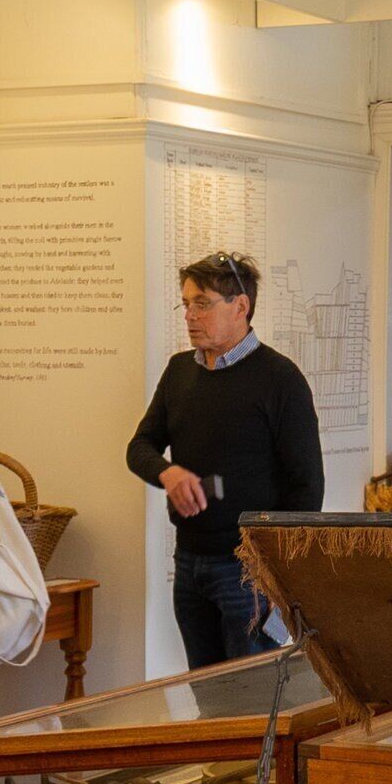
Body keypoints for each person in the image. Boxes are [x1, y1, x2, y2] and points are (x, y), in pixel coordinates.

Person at [125, 250, 323, 667]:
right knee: (207, 701)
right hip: (190, 562)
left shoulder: (280, 379)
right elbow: (139, 448)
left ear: (241, 306)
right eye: (186, 304)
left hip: (250, 573)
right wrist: (168, 473)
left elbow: (306, 490)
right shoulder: (179, 371)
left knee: (251, 705)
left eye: (202, 303)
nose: (190, 315)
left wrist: (278, 577)